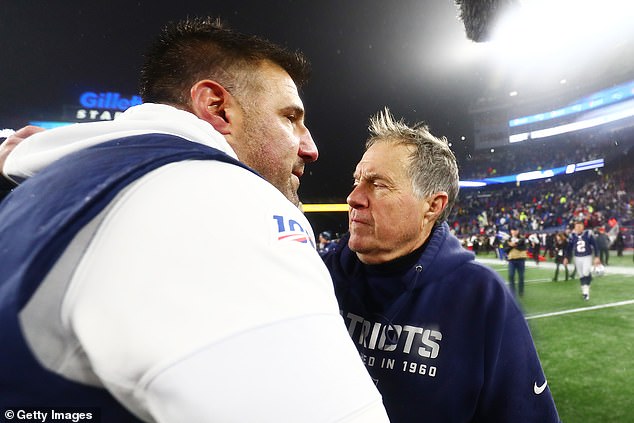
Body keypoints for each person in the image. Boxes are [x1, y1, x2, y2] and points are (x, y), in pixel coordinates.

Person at [0, 17, 389, 423]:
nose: (310, 147)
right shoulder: (222, 196)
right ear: (217, 108)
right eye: (290, 117)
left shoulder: (46, 186)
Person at [322, 109, 560, 422]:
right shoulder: (315, 275)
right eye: (357, 181)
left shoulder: (482, 299)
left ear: (433, 206)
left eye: (377, 185)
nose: (354, 198)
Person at [564, 220, 601, 300]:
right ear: (574, 227)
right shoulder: (572, 235)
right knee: (581, 275)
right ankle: (585, 292)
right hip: (577, 257)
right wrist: (566, 257)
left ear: (583, 227)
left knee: (585, 272)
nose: (578, 228)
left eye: (580, 226)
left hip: (587, 256)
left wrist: (597, 256)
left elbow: (595, 246)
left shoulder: (588, 234)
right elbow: (569, 248)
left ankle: (586, 292)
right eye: (577, 226)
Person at [504, 226, 529, 297]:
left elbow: (523, 247)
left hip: (521, 259)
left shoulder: (522, 238)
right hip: (511, 259)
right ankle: (512, 291)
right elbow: (505, 249)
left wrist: (513, 245)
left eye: (515, 230)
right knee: (511, 275)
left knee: (521, 276)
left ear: (518, 231)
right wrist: (512, 245)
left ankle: (521, 291)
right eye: (513, 230)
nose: (514, 232)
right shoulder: (508, 239)